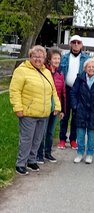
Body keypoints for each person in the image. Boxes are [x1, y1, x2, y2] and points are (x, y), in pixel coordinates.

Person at [9, 45, 61, 175]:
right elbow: (15, 90)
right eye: (35, 56)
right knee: (26, 139)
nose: (38, 59)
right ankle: (20, 163)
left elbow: (53, 91)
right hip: (28, 112)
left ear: (45, 58)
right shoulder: (22, 70)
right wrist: (18, 107)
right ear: (30, 57)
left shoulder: (47, 72)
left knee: (37, 139)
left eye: (41, 57)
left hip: (43, 113)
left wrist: (57, 106)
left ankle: (32, 161)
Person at [70, 59, 94, 164]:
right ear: (85, 68)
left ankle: (90, 154)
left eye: (93, 67)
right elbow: (73, 93)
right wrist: (75, 105)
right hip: (81, 110)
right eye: (88, 67)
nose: (91, 69)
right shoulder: (80, 79)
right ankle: (80, 153)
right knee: (80, 134)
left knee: (92, 135)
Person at [58, 35, 90, 150]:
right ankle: (62, 139)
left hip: (79, 90)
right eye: (74, 42)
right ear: (70, 44)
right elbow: (59, 72)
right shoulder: (64, 58)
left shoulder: (86, 58)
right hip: (66, 89)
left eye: (78, 42)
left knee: (76, 116)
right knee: (64, 115)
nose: (76, 44)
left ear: (81, 44)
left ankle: (73, 140)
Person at [36, 47, 66, 164]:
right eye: (54, 58)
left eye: (58, 58)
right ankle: (39, 154)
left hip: (56, 107)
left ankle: (48, 153)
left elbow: (63, 93)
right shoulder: (44, 71)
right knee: (41, 132)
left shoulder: (60, 73)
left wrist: (62, 109)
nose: (57, 61)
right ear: (49, 59)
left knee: (50, 131)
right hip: (45, 105)